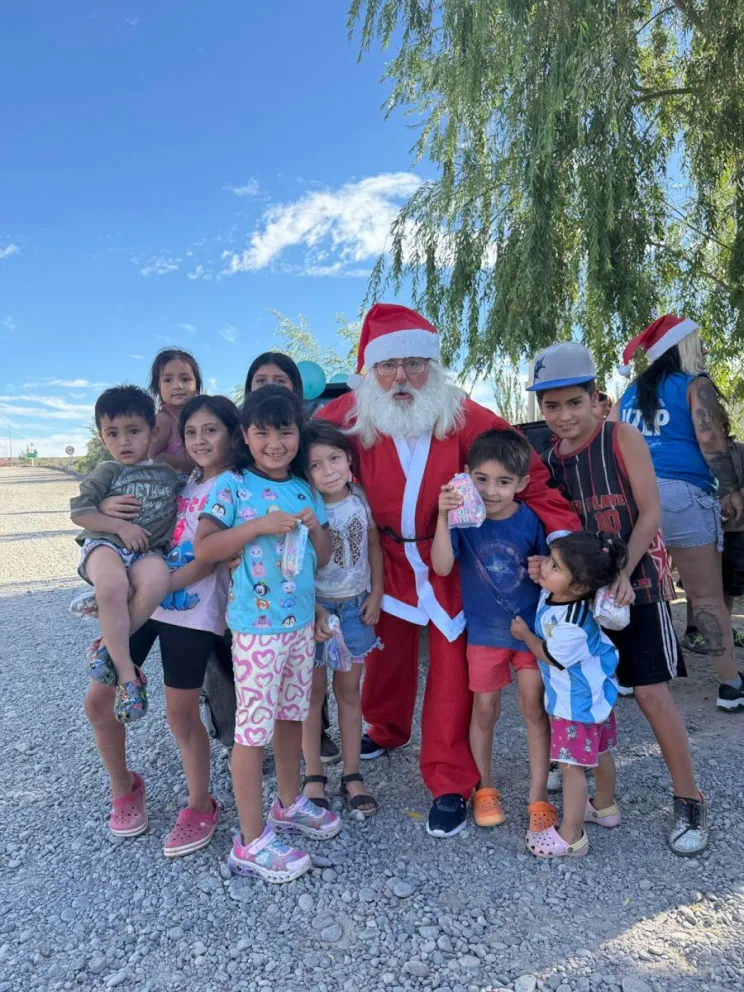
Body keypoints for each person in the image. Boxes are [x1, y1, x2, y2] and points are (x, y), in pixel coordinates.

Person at [319, 303, 579, 838]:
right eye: (388, 366)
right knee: (383, 654)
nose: (400, 378)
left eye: (414, 364)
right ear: (370, 370)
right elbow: (287, 451)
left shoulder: (464, 415)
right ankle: (386, 728)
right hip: (381, 559)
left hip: (449, 562)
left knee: (450, 675)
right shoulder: (349, 414)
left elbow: (524, 475)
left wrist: (563, 542)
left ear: (432, 368)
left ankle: (449, 781)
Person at [530, 340, 709, 855]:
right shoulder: (549, 461)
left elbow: (650, 512)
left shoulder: (621, 437)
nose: (563, 416)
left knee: (650, 693)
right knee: (583, 690)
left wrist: (624, 573)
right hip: (585, 602)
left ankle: (688, 798)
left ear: (594, 398)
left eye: (573, 402)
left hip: (639, 588)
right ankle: (590, 784)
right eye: (551, 405)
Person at [194, 386, 340, 883]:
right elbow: (206, 547)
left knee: (291, 718)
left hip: (299, 627)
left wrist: (312, 526)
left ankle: (288, 802)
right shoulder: (231, 486)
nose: (275, 442)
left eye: (285, 431)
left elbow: (322, 557)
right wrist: (258, 527)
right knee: (251, 732)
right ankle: (251, 842)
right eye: (262, 432)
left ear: (299, 434)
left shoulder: (304, 489)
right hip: (256, 632)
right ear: (245, 436)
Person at [83, 395, 237, 853]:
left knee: (180, 713)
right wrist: (108, 508)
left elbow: (210, 560)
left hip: (192, 611)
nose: (200, 440)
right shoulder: (182, 481)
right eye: (191, 432)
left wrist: (156, 582)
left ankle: (201, 804)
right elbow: (132, 523)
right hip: (148, 600)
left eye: (211, 430)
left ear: (234, 433)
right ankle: (125, 788)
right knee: (97, 702)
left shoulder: (237, 486)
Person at [611, 315, 744, 710]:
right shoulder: (695, 385)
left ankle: (628, 676)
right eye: (698, 344)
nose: (704, 351)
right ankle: (731, 685)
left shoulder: (631, 392)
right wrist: (733, 488)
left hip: (634, 498)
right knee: (705, 594)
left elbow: (610, 436)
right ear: (682, 347)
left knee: (633, 589)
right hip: (683, 495)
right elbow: (710, 439)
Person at [431, 429, 554, 835]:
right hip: (484, 635)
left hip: (530, 634)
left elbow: (552, 574)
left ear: (521, 484)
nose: (491, 490)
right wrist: (444, 516)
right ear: (467, 476)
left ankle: (539, 796)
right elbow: (443, 566)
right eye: (481, 479)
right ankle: (485, 789)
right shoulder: (464, 520)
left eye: (504, 482)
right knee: (484, 711)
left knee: (533, 708)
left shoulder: (531, 520)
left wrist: (543, 571)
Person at [70, 386, 181, 723]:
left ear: (152, 431)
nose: (124, 442)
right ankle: (127, 676)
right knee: (113, 586)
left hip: (147, 551)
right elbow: (80, 512)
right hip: (105, 544)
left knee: (158, 581)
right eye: (113, 434)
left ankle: (105, 645)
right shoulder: (108, 471)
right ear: (103, 438)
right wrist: (119, 526)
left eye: (133, 431)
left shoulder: (168, 475)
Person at [511, 532, 625, 858]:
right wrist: (546, 566)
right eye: (549, 558)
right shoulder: (558, 595)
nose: (546, 566)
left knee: (571, 766)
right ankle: (604, 807)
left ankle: (571, 836)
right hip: (594, 698)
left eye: (554, 566)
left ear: (577, 587)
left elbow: (548, 654)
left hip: (575, 705)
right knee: (599, 752)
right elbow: (560, 537)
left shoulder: (574, 622)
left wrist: (524, 635)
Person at [301, 421, 384, 815]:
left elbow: (373, 547)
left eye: (334, 458)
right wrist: (313, 609)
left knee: (350, 693)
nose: (328, 470)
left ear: (349, 459)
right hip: (316, 608)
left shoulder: (361, 499)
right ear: (306, 473)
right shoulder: (307, 507)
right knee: (312, 695)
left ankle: (352, 774)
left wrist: (378, 592)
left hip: (356, 607)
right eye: (316, 465)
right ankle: (313, 775)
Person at [147, 348, 202, 474]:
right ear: (158, 387)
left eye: (185, 379)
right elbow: (149, 458)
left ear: (197, 385)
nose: (178, 386)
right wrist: (190, 458)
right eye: (167, 380)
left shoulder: (203, 415)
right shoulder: (163, 420)